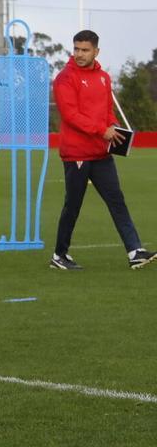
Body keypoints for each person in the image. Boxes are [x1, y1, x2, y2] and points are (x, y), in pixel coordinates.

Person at [49, 29, 154, 270]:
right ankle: (59, 255)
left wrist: (114, 126)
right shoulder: (65, 78)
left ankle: (134, 251)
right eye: (76, 49)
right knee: (72, 206)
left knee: (117, 201)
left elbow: (106, 112)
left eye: (85, 50)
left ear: (97, 51)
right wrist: (101, 129)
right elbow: (71, 115)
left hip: (102, 154)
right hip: (77, 154)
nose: (79, 54)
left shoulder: (104, 77)